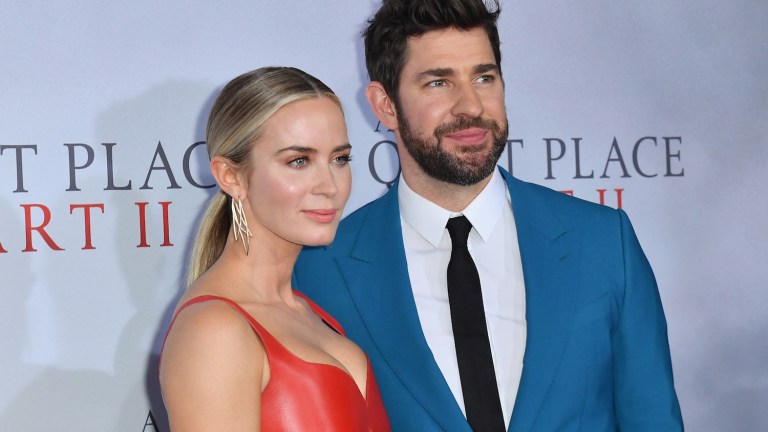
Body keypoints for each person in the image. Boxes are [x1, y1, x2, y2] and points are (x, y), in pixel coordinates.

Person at [294, 1, 683, 431]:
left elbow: (653, 418)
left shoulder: (604, 241)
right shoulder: (321, 270)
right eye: (439, 82)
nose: (471, 105)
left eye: (484, 77)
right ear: (385, 105)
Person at [159, 66, 390, 431]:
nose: (329, 185)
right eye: (299, 161)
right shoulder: (213, 330)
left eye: (339, 159)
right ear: (231, 176)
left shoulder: (310, 312)